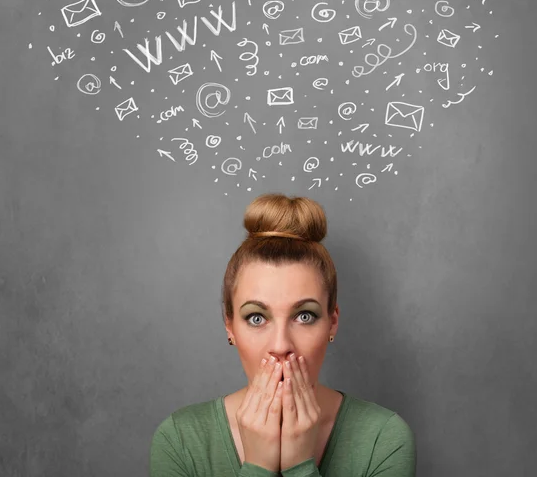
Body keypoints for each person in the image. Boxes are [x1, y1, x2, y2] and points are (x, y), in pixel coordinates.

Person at [150, 193, 416, 476]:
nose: (280, 346)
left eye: (304, 316)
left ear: (332, 323)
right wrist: (258, 467)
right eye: (256, 318)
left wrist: (299, 466)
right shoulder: (179, 441)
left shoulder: (383, 439)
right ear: (229, 326)